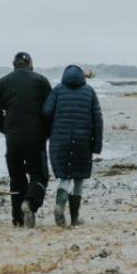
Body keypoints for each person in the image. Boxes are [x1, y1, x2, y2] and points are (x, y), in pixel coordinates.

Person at [0, 52, 52, 228]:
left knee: (16, 177)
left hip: (13, 138)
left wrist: (4, 128)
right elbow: (50, 109)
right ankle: (30, 204)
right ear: (30, 63)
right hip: (36, 137)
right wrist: (46, 131)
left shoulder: (3, 82)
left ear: (14, 64)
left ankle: (18, 218)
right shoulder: (41, 81)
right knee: (39, 174)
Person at [42, 64, 103, 228]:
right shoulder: (89, 92)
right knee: (79, 178)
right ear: (83, 76)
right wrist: (96, 145)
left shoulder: (57, 90)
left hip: (60, 140)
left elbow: (46, 112)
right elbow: (98, 120)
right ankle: (75, 218)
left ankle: (59, 206)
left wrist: (50, 133)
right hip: (82, 140)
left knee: (65, 176)